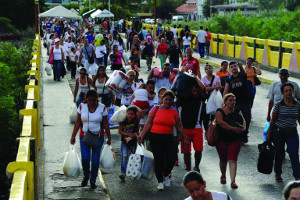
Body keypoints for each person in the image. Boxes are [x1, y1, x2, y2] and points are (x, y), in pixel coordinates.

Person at [138, 90, 187, 190]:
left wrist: (184, 137)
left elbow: (179, 125)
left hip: (169, 137)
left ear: (173, 101)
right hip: (155, 137)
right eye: (166, 99)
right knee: (158, 159)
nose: (168, 102)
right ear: (162, 99)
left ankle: (166, 174)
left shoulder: (174, 111)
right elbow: (148, 123)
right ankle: (160, 181)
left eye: (170, 100)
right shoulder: (155, 109)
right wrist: (141, 135)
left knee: (172, 158)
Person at [70, 90, 111, 189]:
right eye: (89, 101)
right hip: (84, 136)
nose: (92, 103)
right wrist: (73, 136)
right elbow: (78, 122)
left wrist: (109, 137)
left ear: (97, 99)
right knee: (85, 158)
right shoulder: (81, 107)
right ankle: (86, 175)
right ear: (86, 100)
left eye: (94, 100)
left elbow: (105, 123)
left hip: (98, 137)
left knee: (95, 160)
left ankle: (93, 180)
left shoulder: (102, 107)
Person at [266, 83, 300, 182]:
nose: (288, 92)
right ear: (283, 93)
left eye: (290, 90)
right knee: (279, 153)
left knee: (294, 153)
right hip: (279, 133)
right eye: (286, 91)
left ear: (293, 92)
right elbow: (273, 121)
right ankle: (278, 173)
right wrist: (269, 134)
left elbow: (299, 119)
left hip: (292, 133)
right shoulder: (278, 105)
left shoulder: (297, 105)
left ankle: (297, 176)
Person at [215, 93, 246, 189]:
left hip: (235, 139)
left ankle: (233, 181)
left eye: (234, 100)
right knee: (223, 160)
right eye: (230, 100)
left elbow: (243, 120)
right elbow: (220, 122)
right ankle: (223, 175)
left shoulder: (237, 111)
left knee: (233, 159)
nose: (233, 102)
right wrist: (232, 128)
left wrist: (243, 128)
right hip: (222, 139)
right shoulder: (220, 111)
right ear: (225, 102)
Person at [178, 81, 205, 172]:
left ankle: (197, 167)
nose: (196, 92)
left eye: (197, 91)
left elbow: (203, 88)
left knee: (198, 150)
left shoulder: (201, 98)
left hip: (197, 128)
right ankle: (188, 169)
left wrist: (194, 77)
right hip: (184, 128)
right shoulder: (183, 98)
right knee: (186, 152)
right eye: (194, 91)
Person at [224, 61, 251, 143]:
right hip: (235, 103)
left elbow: (244, 73)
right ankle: (237, 135)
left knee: (247, 118)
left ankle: (245, 134)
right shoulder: (229, 79)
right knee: (236, 119)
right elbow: (226, 90)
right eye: (231, 67)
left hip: (245, 101)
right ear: (230, 69)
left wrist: (241, 66)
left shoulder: (242, 75)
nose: (233, 68)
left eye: (235, 66)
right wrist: (224, 101)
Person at [118, 106, 140, 182]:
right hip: (124, 142)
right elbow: (119, 131)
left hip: (133, 143)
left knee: (132, 157)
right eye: (128, 114)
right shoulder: (123, 121)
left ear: (135, 115)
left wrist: (137, 135)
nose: (130, 116)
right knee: (124, 156)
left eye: (132, 114)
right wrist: (128, 134)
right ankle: (123, 173)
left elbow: (140, 112)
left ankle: (133, 172)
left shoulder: (136, 121)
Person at [201, 64, 222, 131]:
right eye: (207, 69)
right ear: (205, 71)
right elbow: (205, 89)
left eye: (210, 68)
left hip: (215, 100)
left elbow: (218, 87)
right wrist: (213, 87)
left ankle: (213, 130)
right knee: (206, 116)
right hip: (206, 100)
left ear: (212, 69)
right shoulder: (203, 79)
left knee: (214, 116)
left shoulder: (216, 77)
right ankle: (207, 130)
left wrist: (210, 87)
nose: (208, 70)